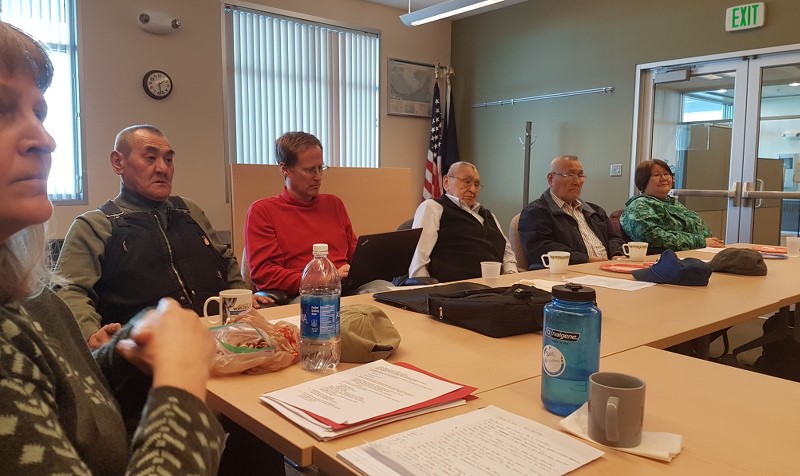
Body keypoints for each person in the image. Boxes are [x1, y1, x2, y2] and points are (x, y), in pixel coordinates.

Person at [0, 21, 224, 473]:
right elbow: (74, 294)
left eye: (39, 113)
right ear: (118, 163)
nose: (45, 140)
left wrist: (124, 349)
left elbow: (67, 393)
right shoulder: (97, 225)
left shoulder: (32, 300)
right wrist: (180, 381)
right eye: (2, 109)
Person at [56, 124, 268, 350]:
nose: (162, 168)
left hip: (224, 344)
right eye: (150, 158)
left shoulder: (189, 210)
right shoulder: (95, 225)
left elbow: (225, 260)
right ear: (118, 162)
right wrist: (90, 333)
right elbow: (69, 291)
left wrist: (242, 300)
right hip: (144, 354)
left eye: (168, 160)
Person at [245, 131, 391, 299]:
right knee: (322, 304)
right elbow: (265, 275)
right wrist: (325, 278)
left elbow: (355, 254)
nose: (318, 177)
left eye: (320, 168)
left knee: (385, 290)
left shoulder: (334, 204)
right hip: (303, 293)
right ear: (285, 169)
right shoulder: (262, 211)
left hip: (346, 287)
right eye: (309, 170)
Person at [408, 161, 517, 282]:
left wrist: (512, 276)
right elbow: (418, 257)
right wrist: (421, 286)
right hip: (455, 288)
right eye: (467, 182)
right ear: (446, 182)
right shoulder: (433, 208)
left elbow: (507, 252)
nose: (473, 189)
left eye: (477, 184)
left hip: (496, 284)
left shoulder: (489, 215)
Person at [519, 155, 625, 268]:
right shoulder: (535, 212)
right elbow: (540, 247)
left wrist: (616, 254)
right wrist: (586, 260)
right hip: (568, 272)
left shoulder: (595, 211)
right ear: (551, 179)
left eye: (580, 175)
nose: (577, 182)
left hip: (607, 268)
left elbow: (614, 238)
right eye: (570, 175)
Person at [620, 158, 724, 251]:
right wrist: (700, 242)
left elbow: (702, 230)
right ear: (643, 181)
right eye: (657, 175)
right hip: (663, 258)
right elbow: (651, 237)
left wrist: (707, 241)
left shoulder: (674, 204)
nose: (663, 178)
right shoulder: (638, 206)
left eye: (666, 174)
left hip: (696, 252)